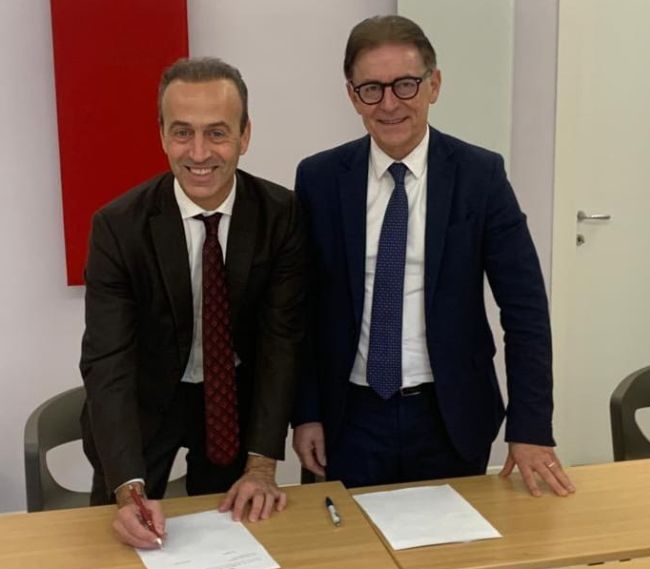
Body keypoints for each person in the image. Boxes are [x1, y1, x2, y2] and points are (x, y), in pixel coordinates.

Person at [292, 15, 575, 497]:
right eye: (371, 89)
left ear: (434, 85)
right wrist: (306, 413)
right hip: (350, 420)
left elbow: (525, 307)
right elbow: (301, 310)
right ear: (352, 96)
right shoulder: (318, 179)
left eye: (405, 84)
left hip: (450, 416)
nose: (389, 104)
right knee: (348, 538)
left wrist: (530, 427)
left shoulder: (480, 177)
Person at [79, 57, 307, 549]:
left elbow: (281, 343)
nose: (199, 153)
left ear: (245, 135)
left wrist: (262, 465)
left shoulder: (282, 215)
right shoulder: (117, 228)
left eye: (217, 133)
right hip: (143, 406)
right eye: (182, 132)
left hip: (232, 404)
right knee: (126, 541)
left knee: (233, 541)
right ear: (162, 135)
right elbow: (108, 361)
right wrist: (127, 490)